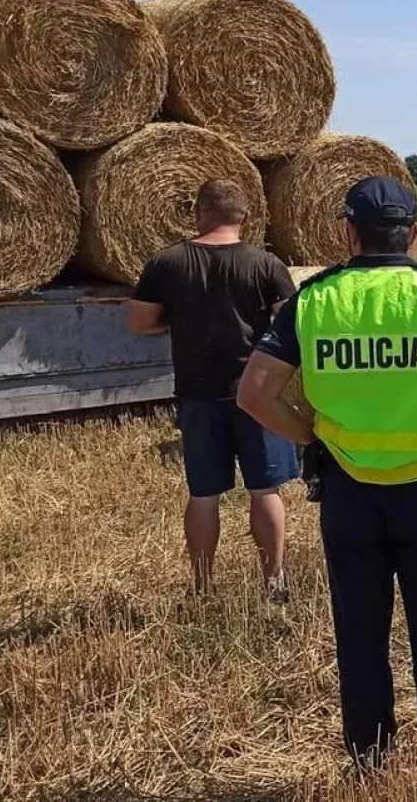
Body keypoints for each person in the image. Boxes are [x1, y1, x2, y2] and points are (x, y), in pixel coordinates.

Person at [235, 175, 417, 771]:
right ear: (412, 234)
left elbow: (253, 393)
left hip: (349, 496)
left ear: (348, 232)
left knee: (360, 639)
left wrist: (309, 435)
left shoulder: (315, 300)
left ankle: (370, 763)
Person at [125, 179, 299, 601]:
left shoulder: (165, 262)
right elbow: (291, 326)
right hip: (257, 394)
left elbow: (139, 322)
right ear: (246, 216)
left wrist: (178, 320)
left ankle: (203, 587)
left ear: (198, 212)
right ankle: (273, 582)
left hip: (197, 394)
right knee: (265, 491)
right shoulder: (265, 264)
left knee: (203, 495)